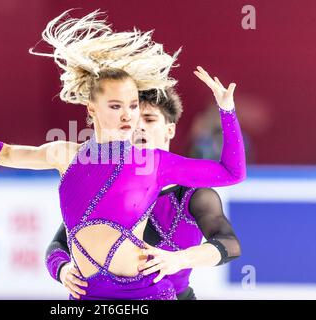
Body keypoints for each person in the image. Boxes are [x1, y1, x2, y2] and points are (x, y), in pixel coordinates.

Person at [0, 10, 246, 299]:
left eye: (132, 107)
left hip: (141, 295)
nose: (129, 116)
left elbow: (232, 173)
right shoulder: (66, 155)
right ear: (91, 111)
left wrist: (227, 112)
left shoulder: (154, 163)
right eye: (116, 106)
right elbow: (4, 153)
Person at [45, 88, 242, 300]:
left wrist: (179, 259)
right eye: (134, 120)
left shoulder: (192, 194)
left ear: (170, 130)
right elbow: (58, 245)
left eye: (149, 119)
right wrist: (64, 270)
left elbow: (229, 243)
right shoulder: (106, 187)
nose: (139, 127)